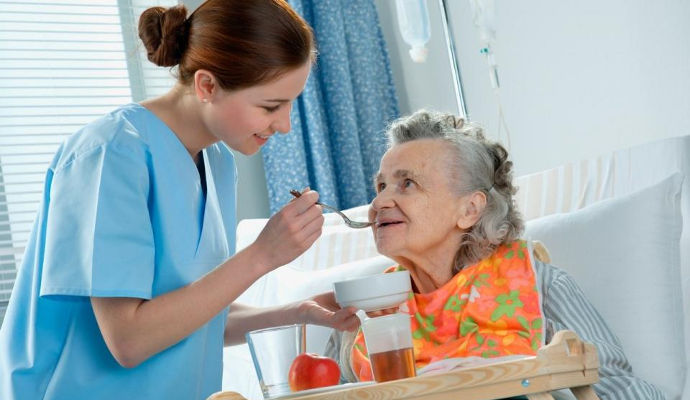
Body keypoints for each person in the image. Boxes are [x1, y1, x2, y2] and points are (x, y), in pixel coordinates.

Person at [0, 1, 359, 399]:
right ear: (207, 86)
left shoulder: (218, 161)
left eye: (291, 103)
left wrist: (298, 312)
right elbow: (130, 340)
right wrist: (262, 255)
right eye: (270, 106)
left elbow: (195, 318)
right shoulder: (111, 154)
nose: (285, 125)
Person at [325, 110, 665, 399]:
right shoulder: (363, 314)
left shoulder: (538, 286)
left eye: (407, 184)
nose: (379, 203)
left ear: (470, 209)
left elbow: (628, 390)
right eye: (381, 186)